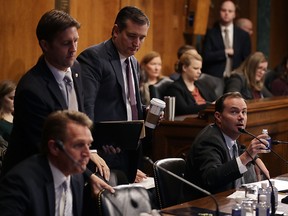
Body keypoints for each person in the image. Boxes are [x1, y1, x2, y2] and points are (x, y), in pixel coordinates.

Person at [1, 10, 113, 194]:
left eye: (76, 40)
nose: (74, 48)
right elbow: (46, 146)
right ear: (45, 45)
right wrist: (88, 175)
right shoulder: (32, 89)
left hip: (67, 172)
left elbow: (79, 118)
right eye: (66, 43)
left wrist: (92, 149)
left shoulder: (76, 68)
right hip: (33, 182)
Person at [77, 6, 150, 183]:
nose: (137, 43)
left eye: (142, 38)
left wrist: (146, 111)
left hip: (128, 152)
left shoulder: (133, 61)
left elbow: (127, 102)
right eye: (132, 36)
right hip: (101, 152)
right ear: (116, 31)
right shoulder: (94, 57)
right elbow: (85, 107)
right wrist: (90, 150)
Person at [0, 110, 114, 215]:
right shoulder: (20, 182)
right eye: (78, 145)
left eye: (88, 145)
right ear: (54, 147)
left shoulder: (76, 177)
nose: (87, 153)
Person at [185, 92, 270, 198]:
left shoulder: (228, 136)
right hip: (204, 207)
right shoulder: (209, 140)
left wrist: (255, 158)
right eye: (234, 112)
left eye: (244, 112)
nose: (241, 117)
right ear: (218, 117)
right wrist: (247, 156)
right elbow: (211, 178)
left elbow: (239, 148)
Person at [201, 0, 251, 78]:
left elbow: (247, 59)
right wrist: (224, 52)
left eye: (230, 11)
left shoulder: (243, 35)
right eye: (224, 10)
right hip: (214, 77)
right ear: (219, 12)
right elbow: (206, 56)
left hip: (236, 77)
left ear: (234, 14)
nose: (226, 13)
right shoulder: (210, 33)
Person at [165, 52, 217, 116]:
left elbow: (216, 102)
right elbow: (184, 110)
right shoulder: (174, 88)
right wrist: (208, 106)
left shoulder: (203, 85)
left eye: (200, 69)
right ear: (184, 68)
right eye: (195, 68)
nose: (199, 72)